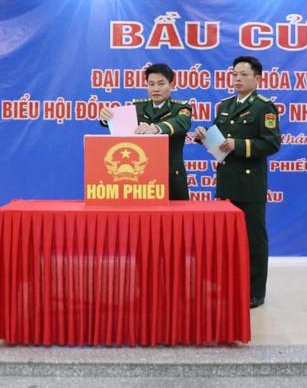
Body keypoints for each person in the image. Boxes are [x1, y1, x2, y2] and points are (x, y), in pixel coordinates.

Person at [195, 56, 281, 308]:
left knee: (254, 239)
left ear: (257, 78)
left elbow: (272, 143)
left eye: (244, 74)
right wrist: (203, 137)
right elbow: (218, 143)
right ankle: (230, 284)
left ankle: (256, 291)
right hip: (226, 181)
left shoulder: (264, 107)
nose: (238, 79)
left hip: (250, 182)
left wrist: (239, 145)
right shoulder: (224, 105)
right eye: (235, 74)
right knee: (226, 238)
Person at [100, 63, 192, 200]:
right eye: (151, 84)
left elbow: (181, 123)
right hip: (142, 179)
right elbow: (120, 124)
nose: (156, 89)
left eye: (161, 84)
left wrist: (155, 129)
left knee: (174, 219)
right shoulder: (138, 107)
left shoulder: (181, 108)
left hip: (171, 176)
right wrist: (106, 118)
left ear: (171, 85)